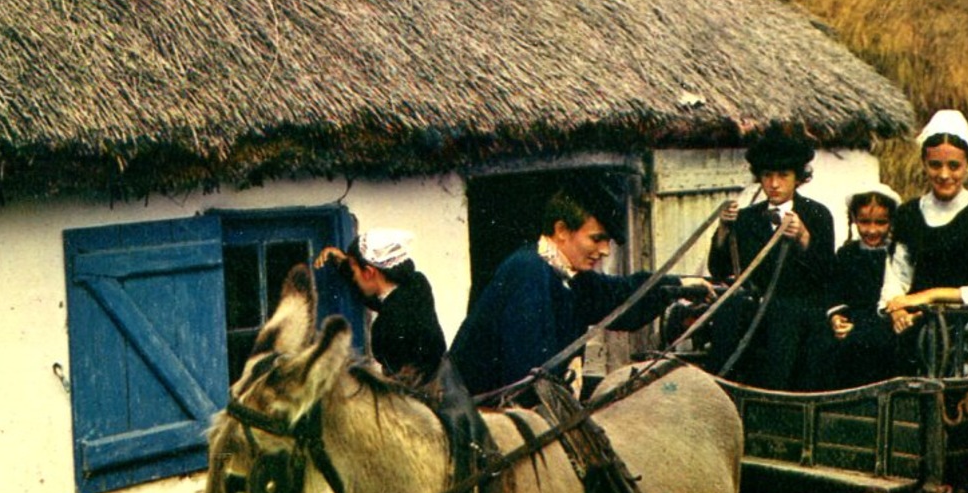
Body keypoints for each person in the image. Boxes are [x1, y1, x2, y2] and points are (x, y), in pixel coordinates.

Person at [448, 186, 681, 399]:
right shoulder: (528, 273)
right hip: (484, 416)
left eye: (607, 241)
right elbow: (526, 378)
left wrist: (677, 286)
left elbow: (620, 296)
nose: (605, 251)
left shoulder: (569, 275)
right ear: (561, 230)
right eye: (597, 239)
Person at [704, 122, 837, 390]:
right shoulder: (747, 217)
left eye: (783, 175)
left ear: (798, 177)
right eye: (767, 176)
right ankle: (720, 388)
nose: (774, 184)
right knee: (728, 309)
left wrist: (804, 238)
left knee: (783, 314)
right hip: (757, 304)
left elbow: (827, 274)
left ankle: (775, 399)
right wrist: (723, 230)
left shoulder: (817, 214)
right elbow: (719, 269)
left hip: (801, 306)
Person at [879, 109, 968, 363]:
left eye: (954, 166)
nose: (944, 175)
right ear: (924, 163)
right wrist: (897, 308)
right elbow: (897, 275)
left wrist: (933, 295)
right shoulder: (909, 214)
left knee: (933, 342)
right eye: (935, 165)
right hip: (915, 320)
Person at [316, 229, 445, 386]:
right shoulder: (417, 284)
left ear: (369, 272)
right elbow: (380, 298)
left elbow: (403, 383)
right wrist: (345, 262)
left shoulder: (392, 323)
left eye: (354, 270)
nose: (353, 276)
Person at [817, 182, 902, 388]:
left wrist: (860, 329)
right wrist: (837, 317)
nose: (872, 230)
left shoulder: (896, 256)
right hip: (851, 319)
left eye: (880, 223)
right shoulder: (847, 254)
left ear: (891, 221)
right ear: (854, 219)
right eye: (864, 222)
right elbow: (835, 291)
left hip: (883, 322)